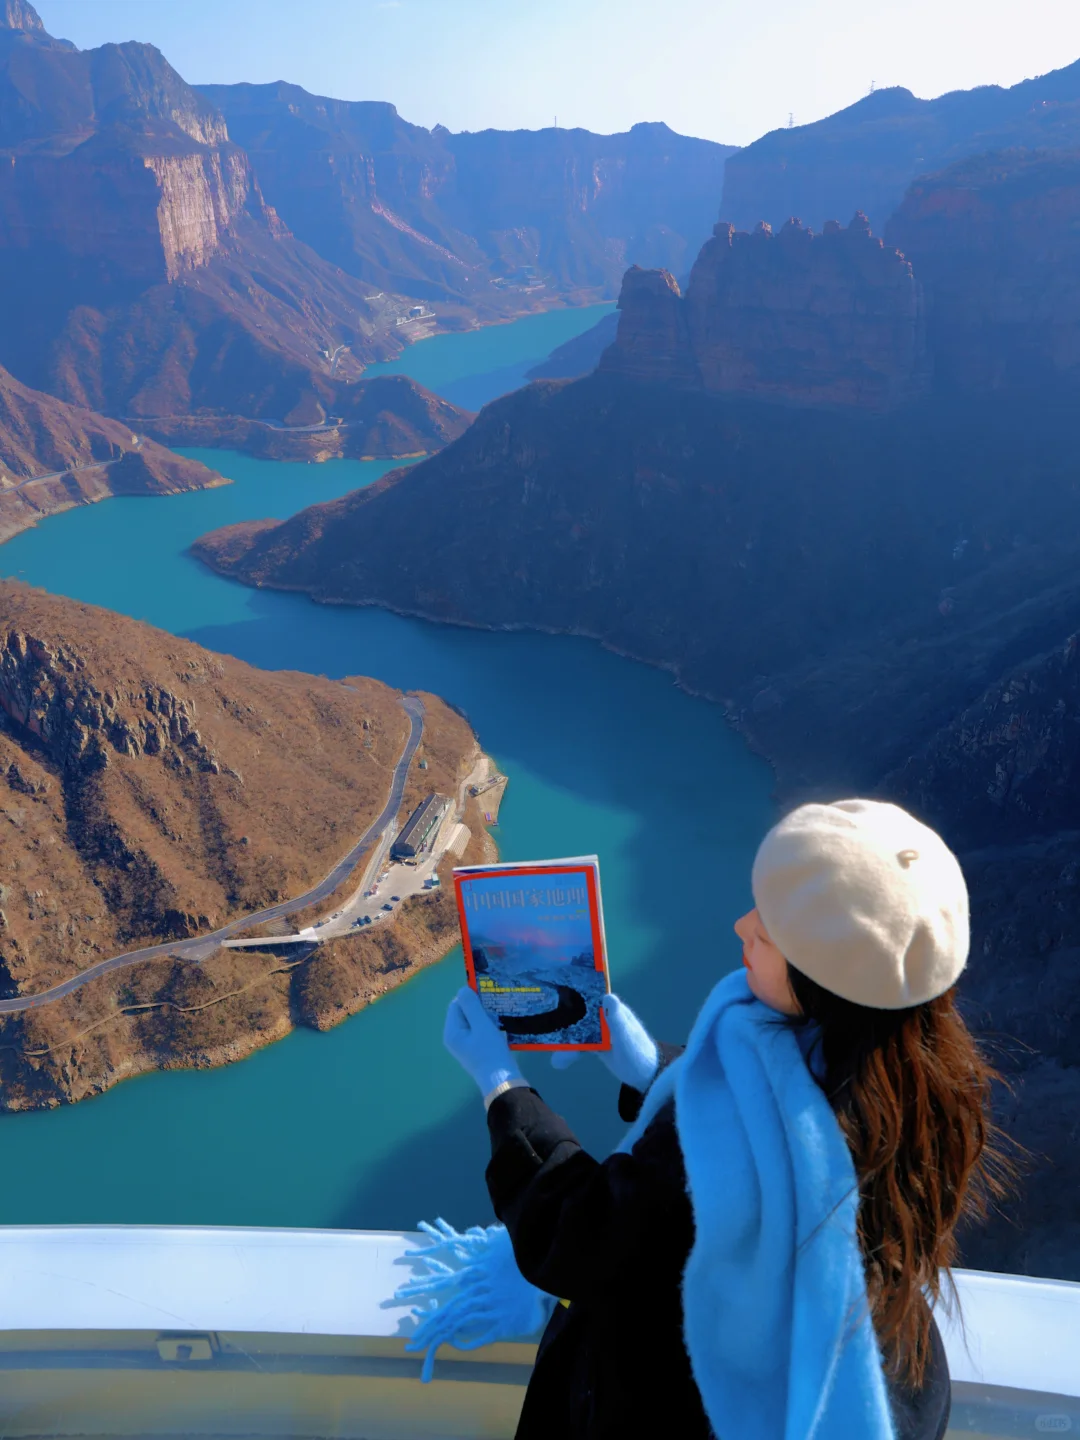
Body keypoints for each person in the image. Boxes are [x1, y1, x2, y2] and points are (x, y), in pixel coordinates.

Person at [437, 799, 1014, 1439]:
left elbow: (580, 1239)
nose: (741, 925)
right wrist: (657, 1069)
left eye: (766, 931)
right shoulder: (908, 1075)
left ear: (820, 982)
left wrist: (502, 1088)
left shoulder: (734, 1150)